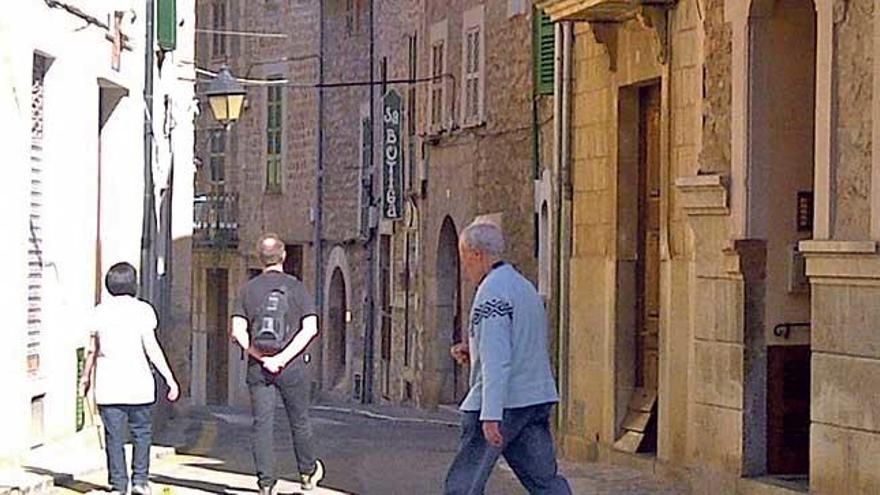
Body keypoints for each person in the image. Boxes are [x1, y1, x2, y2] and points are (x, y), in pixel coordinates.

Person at [445, 221, 571, 495]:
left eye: (465, 259)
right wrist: (475, 350)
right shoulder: (524, 288)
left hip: (501, 402)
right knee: (545, 482)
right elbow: (522, 343)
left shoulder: (490, 293)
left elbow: (497, 358)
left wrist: (490, 414)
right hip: (534, 396)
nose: (465, 269)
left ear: (477, 254)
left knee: (464, 484)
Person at [231, 233, 325, 495]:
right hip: (292, 367)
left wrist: (261, 357)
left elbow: (238, 332)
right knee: (299, 420)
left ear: (260, 259)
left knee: (262, 423)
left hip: (258, 368)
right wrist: (282, 359)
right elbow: (311, 328)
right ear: (283, 257)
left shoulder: (247, 290)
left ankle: (266, 483)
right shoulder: (296, 287)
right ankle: (307, 474)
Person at [80, 262, 180, 495]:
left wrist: (85, 378)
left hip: (109, 387)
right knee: (142, 434)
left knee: (114, 438)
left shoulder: (100, 312)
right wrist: (170, 379)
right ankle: (140, 481)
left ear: (109, 284)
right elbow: (152, 348)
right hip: (140, 386)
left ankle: (118, 485)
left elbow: (93, 349)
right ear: (134, 284)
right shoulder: (144, 310)